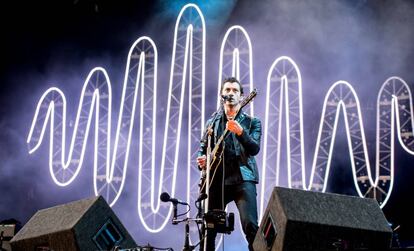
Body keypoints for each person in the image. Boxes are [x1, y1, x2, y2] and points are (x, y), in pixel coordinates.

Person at [197, 77, 261, 251]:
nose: (231, 93)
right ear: (221, 95)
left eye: (235, 91)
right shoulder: (212, 123)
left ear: (241, 96)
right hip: (217, 181)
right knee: (208, 228)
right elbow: (203, 149)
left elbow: (255, 148)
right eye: (227, 90)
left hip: (243, 179)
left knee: (251, 226)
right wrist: (202, 160)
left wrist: (241, 133)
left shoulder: (252, 122)